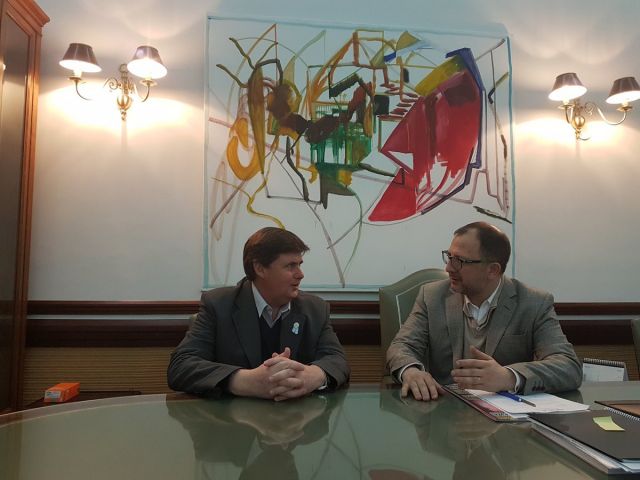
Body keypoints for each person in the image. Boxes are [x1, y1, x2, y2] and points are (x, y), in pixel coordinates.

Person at [386, 221, 581, 401]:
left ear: (492, 270)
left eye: (459, 261)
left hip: (504, 419)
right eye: (449, 257)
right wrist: (411, 371)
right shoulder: (431, 296)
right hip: (443, 409)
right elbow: (401, 346)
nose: (448, 268)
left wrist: (509, 377)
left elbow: (568, 366)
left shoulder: (533, 303)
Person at [168, 227, 350, 400]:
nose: (300, 274)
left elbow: (337, 360)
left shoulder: (315, 309)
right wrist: (246, 381)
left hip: (297, 418)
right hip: (233, 419)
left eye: (300, 265)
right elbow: (181, 366)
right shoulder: (219, 305)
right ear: (260, 268)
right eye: (290, 266)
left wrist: (312, 376)